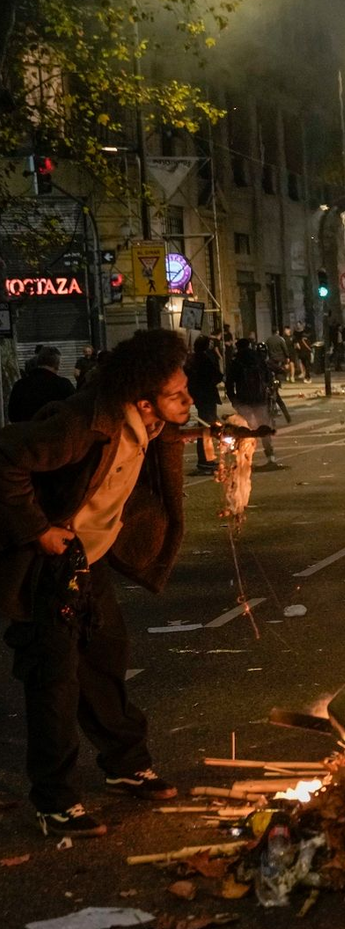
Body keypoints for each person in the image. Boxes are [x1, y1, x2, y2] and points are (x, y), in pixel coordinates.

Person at [0, 330, 192, 837]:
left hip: (91, 560)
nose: (188, 400)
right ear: (144, 398)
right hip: (48, 566)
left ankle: (126, 765)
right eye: (178, 395)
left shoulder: (148, 424)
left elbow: (159, 454)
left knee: (106, 657)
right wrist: (39, 530)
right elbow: (7, 455)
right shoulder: (87, 421)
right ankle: (56, 800)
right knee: (56, 678)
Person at [226, 338, 280, 467]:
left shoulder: (236, 362)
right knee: (264, 427)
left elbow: (229, 383)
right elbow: (268, 377)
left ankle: (242, 458)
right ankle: (270, 456)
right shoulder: (258, 360)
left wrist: (233, 399)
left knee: (243, 429)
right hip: (259, 399)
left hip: (243, 400)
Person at [184, 336, 223, 473]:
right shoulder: (205, 359)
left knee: (206, 428)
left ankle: (206, 459)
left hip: (199, 396)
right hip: (207, 396)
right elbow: (218, 375)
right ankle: (205, 460)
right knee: (207, 429)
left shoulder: (191, 360)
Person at [7, 346, 73, 422]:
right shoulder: (64, 385)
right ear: (57, 365)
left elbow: (12, 415)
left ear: (38, 361)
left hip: (26, 432)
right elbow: (74, 411)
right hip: (55, 432)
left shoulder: (20, 385)